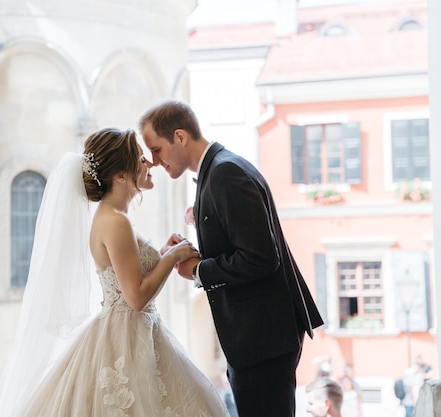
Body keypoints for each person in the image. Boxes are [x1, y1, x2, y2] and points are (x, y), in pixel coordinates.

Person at [0, 127, 230, 417]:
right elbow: (136, 297)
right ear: (121, 175)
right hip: (125, 341)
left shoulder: (113, 218)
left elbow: (128, 273)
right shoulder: (115, 222)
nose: (149, 163)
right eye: (140, 158)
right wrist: (174, 257)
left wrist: (162, 253)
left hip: (129, 331)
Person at [139, 100, 325, 417]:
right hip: (257, 336)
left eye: (157, 149)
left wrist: (199, 270)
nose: (154, 162)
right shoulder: (220, 169)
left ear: (180, 137)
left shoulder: (225, 174)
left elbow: (261, 259)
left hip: (262, 339)